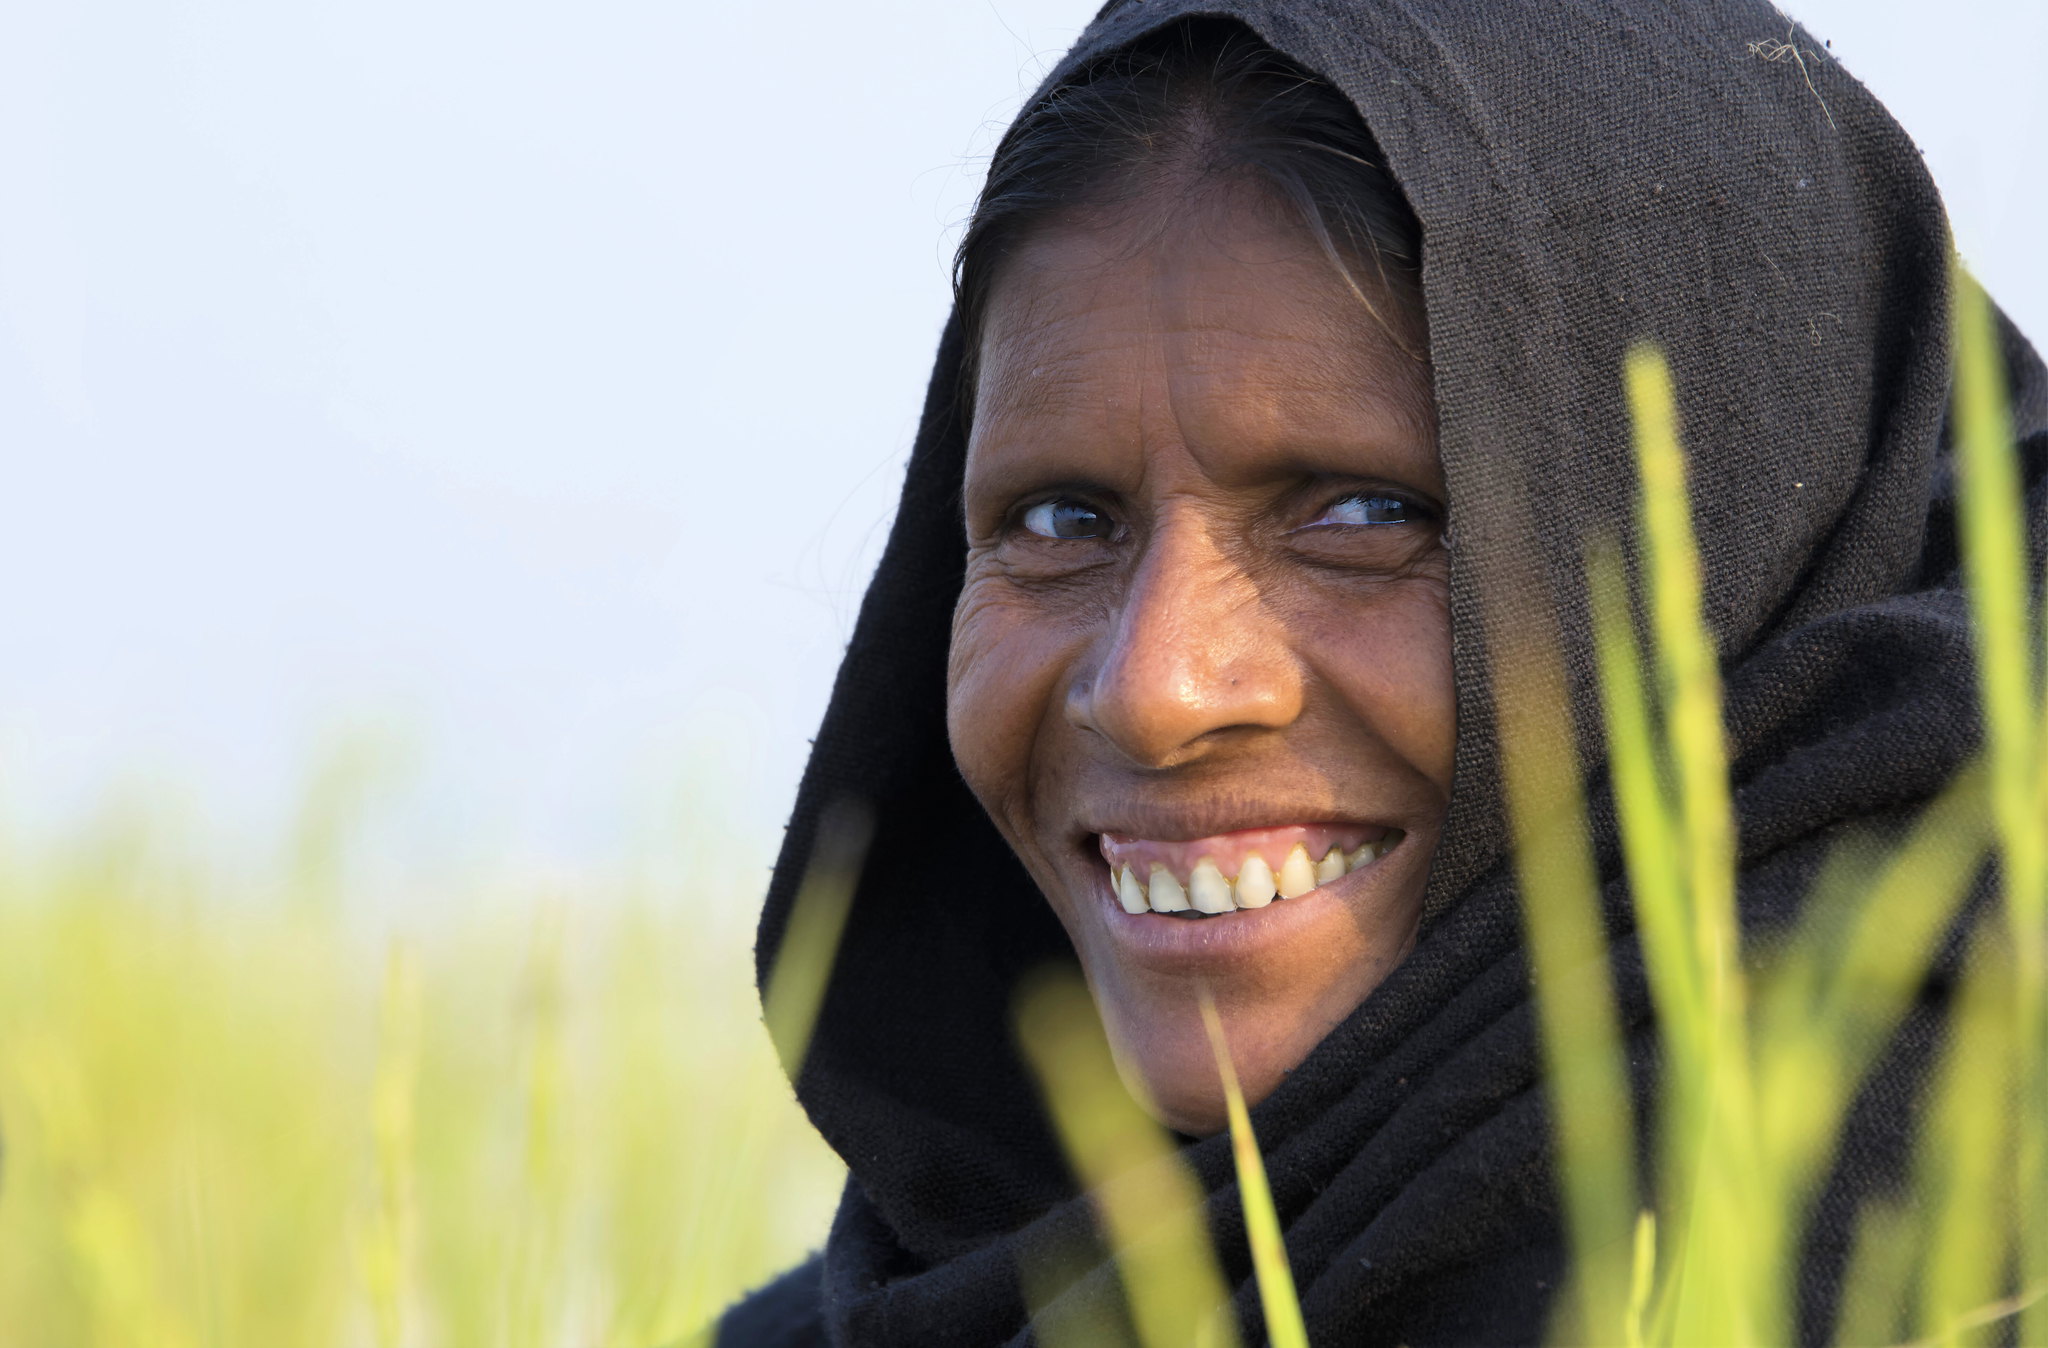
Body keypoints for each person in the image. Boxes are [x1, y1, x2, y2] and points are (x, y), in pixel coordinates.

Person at [727, 1, 2048, 1343]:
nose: (1153, 690)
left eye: (1365, 514)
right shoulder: (894, 1301)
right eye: (1064, 521)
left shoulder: (1899, 1252)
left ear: (1744, 537)